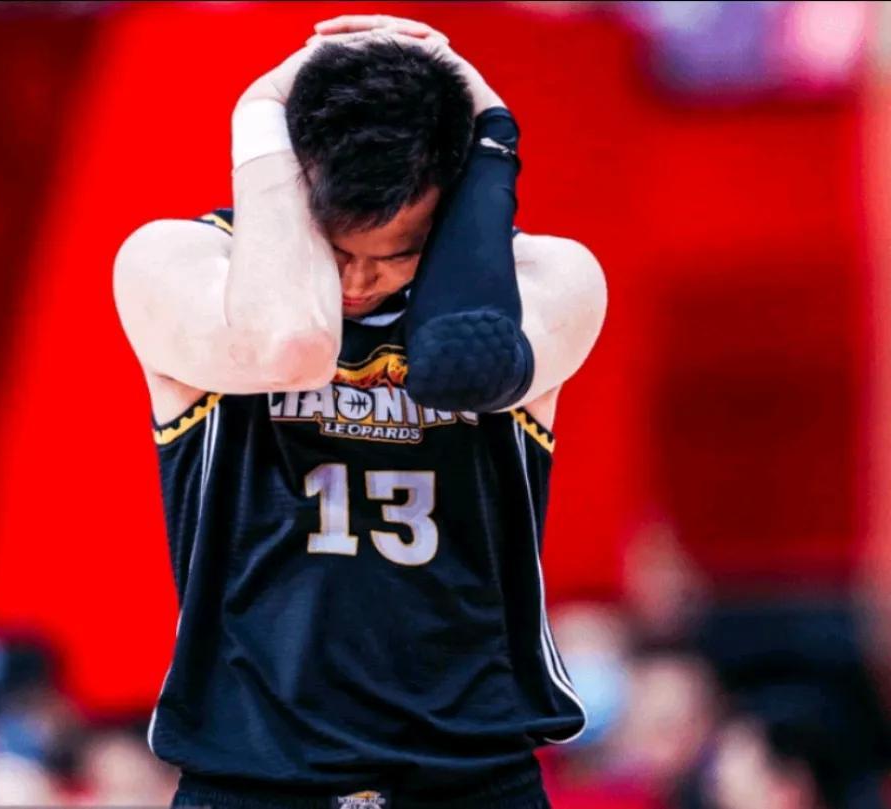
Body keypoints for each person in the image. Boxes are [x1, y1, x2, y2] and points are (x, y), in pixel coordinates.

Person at [113, 14, 607, 809]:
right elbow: (289, 347)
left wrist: (489, 130)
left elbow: (463, 366)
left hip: (470, 777)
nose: (358, 282)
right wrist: (260, 108)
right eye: (336, 247)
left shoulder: (545, 278)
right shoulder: (180, 263)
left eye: (394, 255)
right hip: (254, 779)